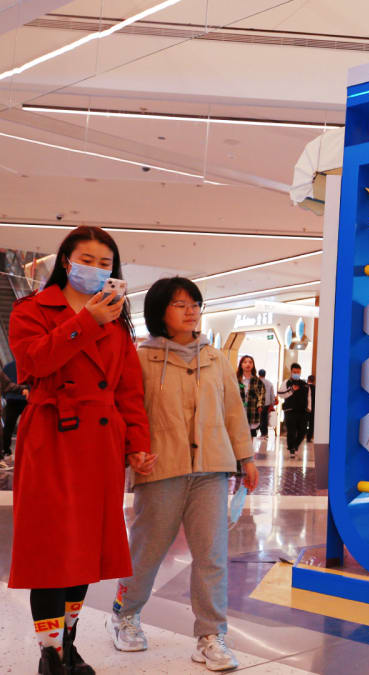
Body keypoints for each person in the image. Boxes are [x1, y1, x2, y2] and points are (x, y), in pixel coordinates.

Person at [7, 225, 154, 675]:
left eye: (105, 263)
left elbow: (128, 389)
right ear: (65, 261)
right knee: (53, 550)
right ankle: (49, 653)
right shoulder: (32, 309)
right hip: (51, 438)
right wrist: (87, 321)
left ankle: (69, 645)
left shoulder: (117, 321)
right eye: (86, 260)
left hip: (100, 443)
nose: (95, 269)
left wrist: (137, 444)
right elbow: (32, 362)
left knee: (86, 551)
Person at [106, 277, 259, 671]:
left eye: (195, 303)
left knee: (212, 556)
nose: (191, 311)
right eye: (180, 304)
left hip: (211, 469)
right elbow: (129, 410)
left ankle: (211, 635)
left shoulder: (215, 358)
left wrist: (246, 458)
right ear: (160, 311)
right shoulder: (141, 358)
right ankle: (124, 614)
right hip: (161, 467)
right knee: (146, 551)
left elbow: (233, 412)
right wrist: (132, 452)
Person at [1, 359, 29, 469]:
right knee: (29, 427)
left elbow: (6, 386)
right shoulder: (27, 366)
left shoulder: (7, 367)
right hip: (24, 399)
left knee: (7, 428)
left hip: (12, 399)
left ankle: (6, 451)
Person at [280, 363, 309, 456]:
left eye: (298, 372)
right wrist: (291, 390)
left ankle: (295, 445)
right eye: (294, 372)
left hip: (302, 411)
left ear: (300, 372)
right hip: (290, 410)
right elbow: (280, 394)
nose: (296, 374)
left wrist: (309, 408)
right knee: (291, 431)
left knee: (303, 431)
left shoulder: (304, 384)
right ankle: (291, 448)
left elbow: (309, 397)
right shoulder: (286, 382)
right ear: (291, 372)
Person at [235, 355, 265, 438]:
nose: (248, 364)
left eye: (250, 362)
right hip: (238, 412)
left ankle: (249, 447)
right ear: (241, 365)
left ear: (253, 365)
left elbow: (261, 395)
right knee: (238, 436)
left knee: (250, 436)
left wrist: (260, 405)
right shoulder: (235, 379)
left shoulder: (257, 381)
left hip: (252, 412)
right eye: (245, 362)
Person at [258, 369, 275, 437]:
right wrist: (272, 404)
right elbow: (272, 394)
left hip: (258, 403)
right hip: (267, 403)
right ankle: (265, 433)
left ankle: (261, 433)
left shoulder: (256, 382)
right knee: (264, 418)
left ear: (259, 374)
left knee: (259, 418)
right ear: (265, 374)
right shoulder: (269, 383)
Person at [305, 374, 316, 442]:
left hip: (305, 408)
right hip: (313, 408)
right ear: (314, 380)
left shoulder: (305, 387)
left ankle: (301, 435)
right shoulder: (315, 388)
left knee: (304, 422)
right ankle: (309, 438)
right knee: (311, 423)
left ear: (308, 379)